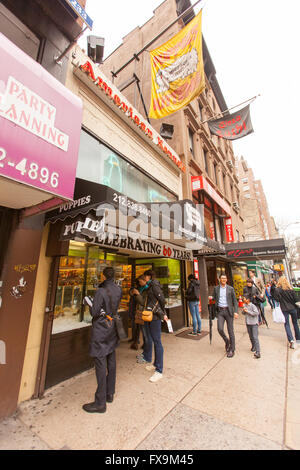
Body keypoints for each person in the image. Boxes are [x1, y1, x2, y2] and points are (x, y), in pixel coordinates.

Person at [83, 267, 122, 413]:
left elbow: (94, 312)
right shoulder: (118, 289)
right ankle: (109, 393)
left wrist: (89, 302)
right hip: (113, 328)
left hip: (101, 329)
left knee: (100, 363)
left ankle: (100, 403)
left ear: (103, 276)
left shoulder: (100, 291)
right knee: (111, 359)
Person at [134, 272, 168, 382]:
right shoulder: (150, 286)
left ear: (149, 277)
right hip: (149, 316)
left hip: (155, 317)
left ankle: (159, 370)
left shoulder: (155, 286)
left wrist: (163, 313)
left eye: (145, 276)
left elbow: (162, 299)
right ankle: (155, 364)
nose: (144, 278)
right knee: (153, 339)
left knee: (157, 342)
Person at [212, 274, 239, 358]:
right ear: (219, 279)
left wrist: (236, 311)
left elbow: (235, 301)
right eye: (222, 278)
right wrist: (211, 299)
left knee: (230, 331)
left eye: (225, 278)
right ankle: (227, 341)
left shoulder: (230, 289)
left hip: (229, 311)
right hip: (220, 311)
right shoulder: (216, 288)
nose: (223, 279)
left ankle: (232, 349)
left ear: (226, 280)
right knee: (219, 329)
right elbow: (214, 298)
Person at [271, 276, 300, 349]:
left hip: (284, 309)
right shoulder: (291, 289)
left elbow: (276, 299)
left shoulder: (278, 290)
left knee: (287, 324)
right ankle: (298, 339)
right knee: (295, 323)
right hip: (293, 308)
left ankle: (291, 340)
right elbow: (296, 299)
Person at [242, 294, 261, 359]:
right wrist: (244, 311)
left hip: (254, 323)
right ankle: (253, 346)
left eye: (244, 298)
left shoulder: (253, 306)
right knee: (250, 336)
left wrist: (248, 311)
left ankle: (258, 352)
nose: (243, 299)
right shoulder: (244, 305)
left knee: (255, 337)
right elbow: (243, 313)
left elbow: (256, 313)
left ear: (248, 299)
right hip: (248, 323)